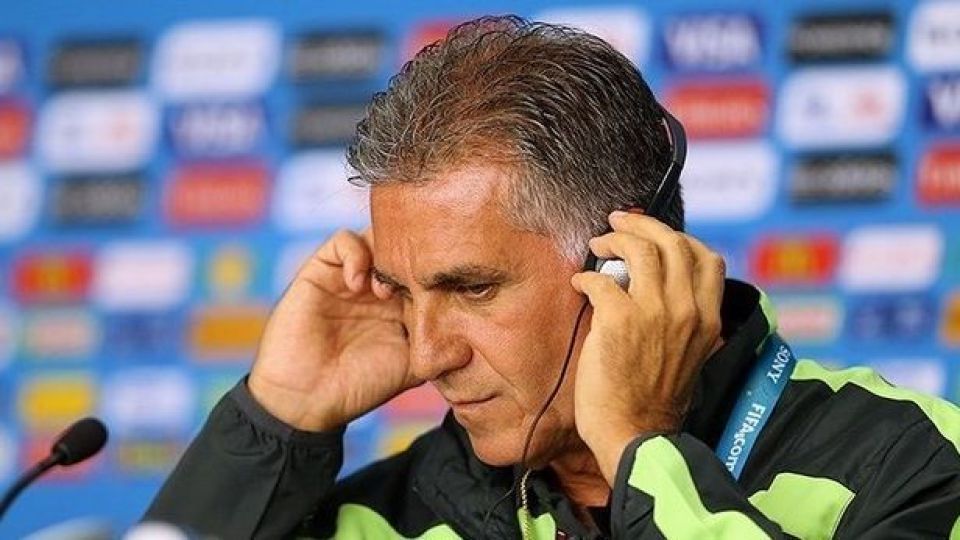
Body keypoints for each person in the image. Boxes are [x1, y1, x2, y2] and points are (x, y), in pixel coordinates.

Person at [145, 16, 960, 539]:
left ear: (624, 268)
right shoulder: (384, 517)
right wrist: (277, 423)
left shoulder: (914, 463)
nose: (426, 356)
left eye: (471, 288)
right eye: (402, 291)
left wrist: (642, 450)